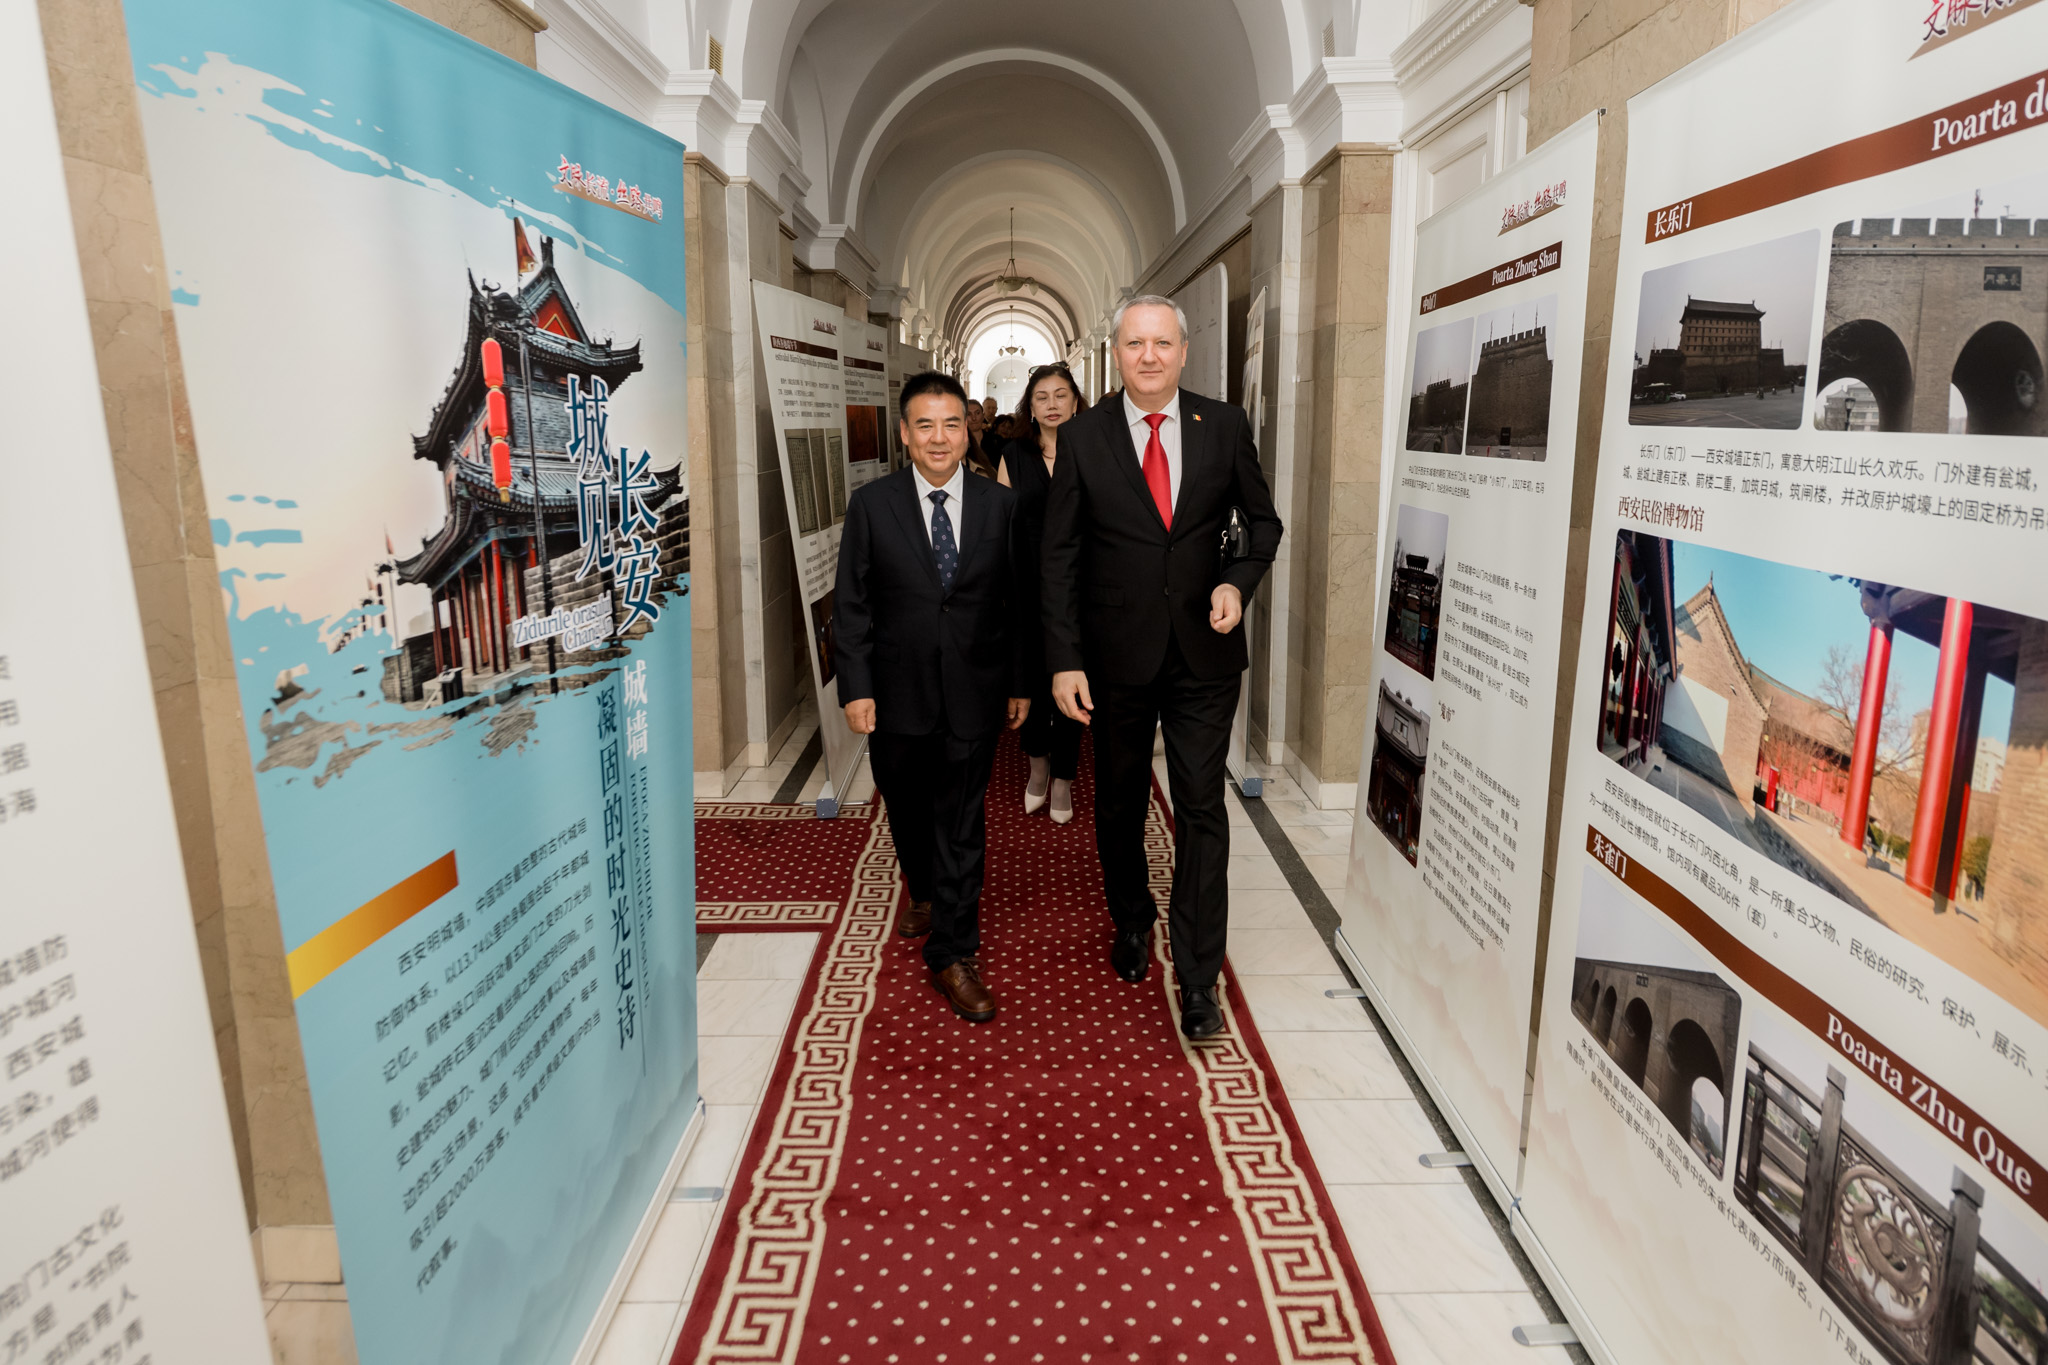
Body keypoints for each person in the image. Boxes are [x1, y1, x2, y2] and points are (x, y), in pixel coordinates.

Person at [1040, 296, 1282, 1039]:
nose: (1149, 356)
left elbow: (1264, 523)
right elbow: (1059, 555)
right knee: (1118, 799)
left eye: (1162, 343)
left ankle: (1199, 976)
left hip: (1205, 653)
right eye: (1135, 344)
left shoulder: (1224, 425)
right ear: (1117, 353)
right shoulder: (1083, 437)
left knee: (1201, 805)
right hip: (1114, 655)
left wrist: (1237, 584)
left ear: (1183, 350)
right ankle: (1132, 916)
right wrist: (1064, 661)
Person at [834, 371, 1032, 1023]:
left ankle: (953, 951)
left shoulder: (1001, 505)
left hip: (974, 689)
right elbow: (853, 605)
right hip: (895, 692)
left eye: (951, 424)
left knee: (961, 823)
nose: (940, 437)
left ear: (967, 431)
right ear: (904, 434)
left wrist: (1019, 682)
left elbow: (1018, 604)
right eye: (926, 425)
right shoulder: (873, 504)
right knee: (907, 807)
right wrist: (856, 688)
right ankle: (922, 887)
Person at [997, 364, 1088, 823]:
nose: (1052, 404)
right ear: (1029, 407)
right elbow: (1000, 523)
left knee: (1074, 683)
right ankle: (1037, 765)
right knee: (1030, 680)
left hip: (1081, 586)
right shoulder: (1014, 455)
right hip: (1026, 584)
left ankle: (1065, 778)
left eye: (1060, 395)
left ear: (1075, 401)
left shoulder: (1095, 449)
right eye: (1041, 397)